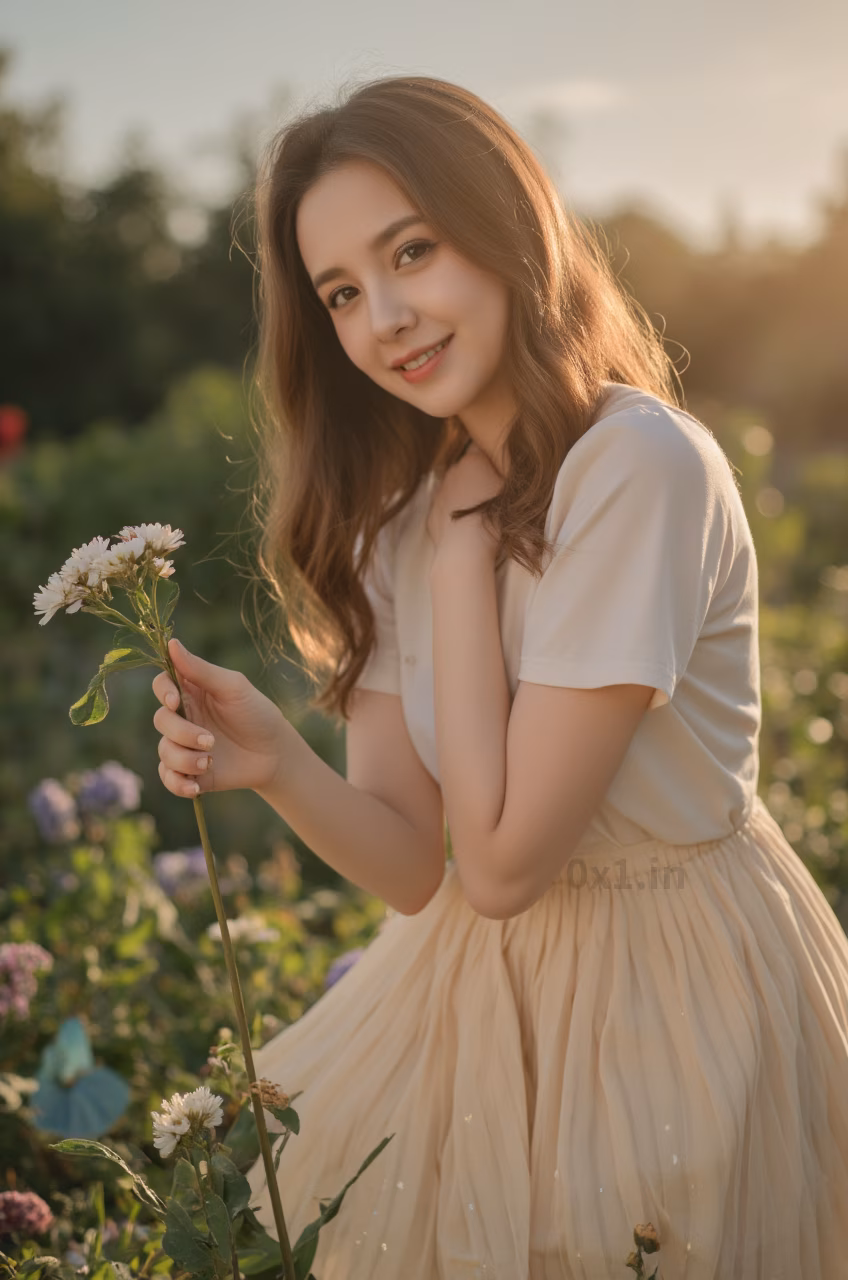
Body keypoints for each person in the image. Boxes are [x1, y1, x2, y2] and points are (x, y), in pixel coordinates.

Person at [150, 75, 848, 1280]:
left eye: (410, 251)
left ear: (506, 225)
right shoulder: (399, 514)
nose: (385, 318)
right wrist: (277, 762)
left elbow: (508, 859)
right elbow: (416, 865)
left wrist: (467, 560)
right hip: (475, 992)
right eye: (343, 294)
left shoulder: (634, 469)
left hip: (672, 982)